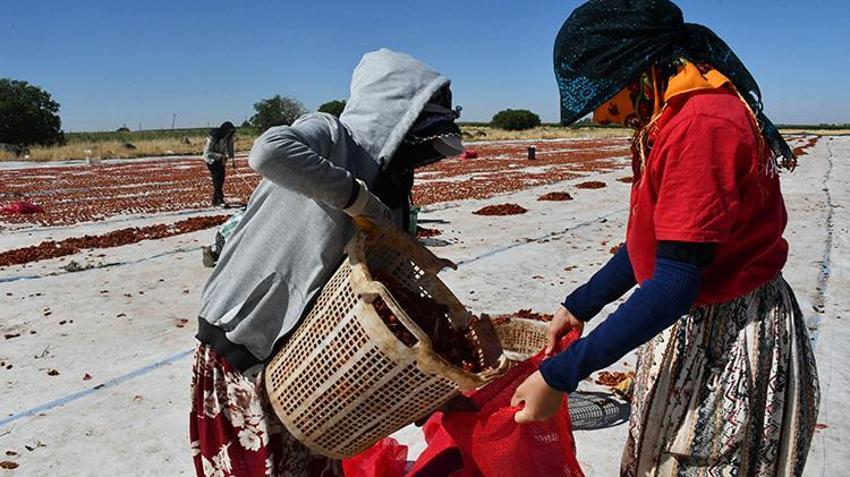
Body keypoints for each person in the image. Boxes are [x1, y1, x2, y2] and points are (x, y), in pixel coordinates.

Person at [510, 1, 819, 475]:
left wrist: (560, 376)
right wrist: (580, 305)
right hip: (695, 321)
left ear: (639, 70)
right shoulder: (671, 116)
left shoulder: (702, 124)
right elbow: (655, 244)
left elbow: (675, 282)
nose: (601, 115)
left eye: (605, 94)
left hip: (730, 333)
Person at [189, 49, 463, 477]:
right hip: (242, 338)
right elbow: (268, 152)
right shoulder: (332, 135)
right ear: (394, 117)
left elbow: (387, 273)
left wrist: (431, 369)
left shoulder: (392, 186)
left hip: (304, 365)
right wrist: (355, 197)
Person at [203, 121, 237, 206]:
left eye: (231, 132)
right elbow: (207, 152)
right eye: (229, 131)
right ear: (224, 130)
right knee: (216, 179)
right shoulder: (213, 136)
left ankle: (215, 200)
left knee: (221, 179)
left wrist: (233, 160)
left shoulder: (228, 137)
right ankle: (221, 200)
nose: (230, 133)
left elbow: (230, 147)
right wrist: (221, 156)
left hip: (221, 159)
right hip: (210, 159)